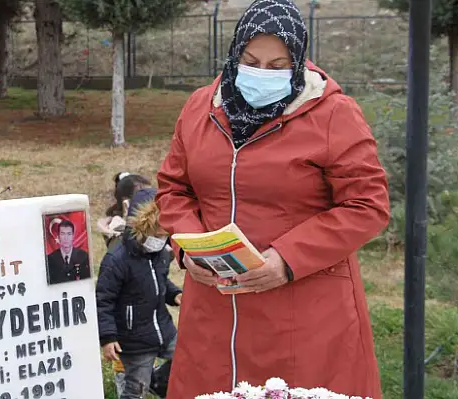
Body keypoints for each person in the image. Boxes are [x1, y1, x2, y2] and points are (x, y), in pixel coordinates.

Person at [155, 1, 390, 399]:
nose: (261, 73)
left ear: (298, 62)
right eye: (251, 61)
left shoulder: (333, 113)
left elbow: (368, 205)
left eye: (277, 65)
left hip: (303, 313)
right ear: (234, 54)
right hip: (213, 307)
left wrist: (289, 258)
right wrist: (187, 248)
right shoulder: (200, 107)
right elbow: (174, 189)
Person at [96, 188, 183, 399]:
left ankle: (159, 382)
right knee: (135, 390)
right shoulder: (117, 260)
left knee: (188, 360)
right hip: (134, 342)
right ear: (142, 228)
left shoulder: (160, 254)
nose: (161, 239)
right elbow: (103, 300)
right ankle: (148, 383)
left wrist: (174, 294)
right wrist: (108, 337)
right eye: (158, 234)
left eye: (165, 235)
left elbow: (159, 281)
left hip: (164, 331)